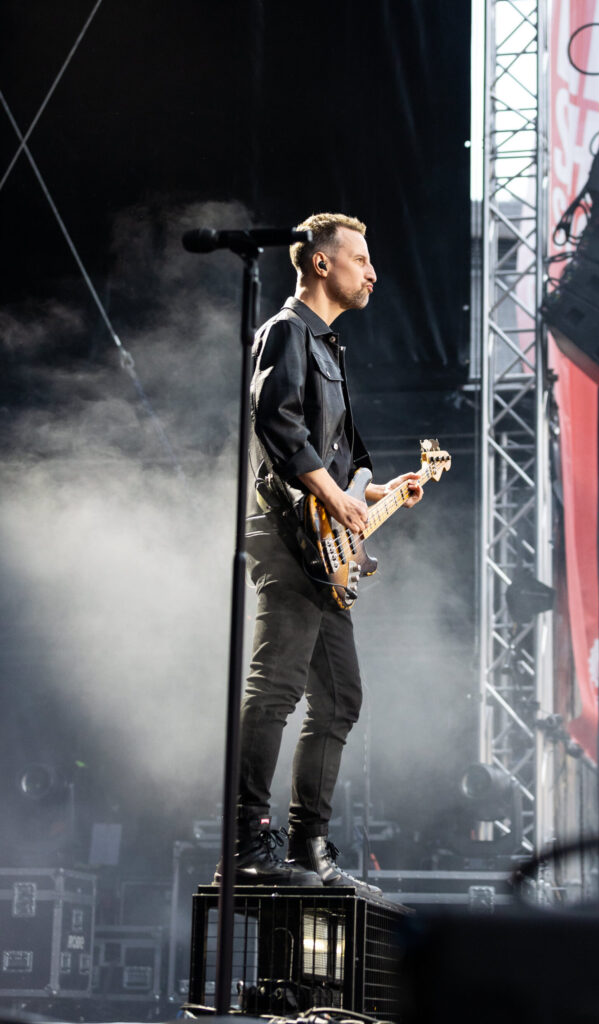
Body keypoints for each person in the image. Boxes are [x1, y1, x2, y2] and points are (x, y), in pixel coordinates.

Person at [218, 212, 422, 891]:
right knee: (274, 688)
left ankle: (309, 844)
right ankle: (247, 838)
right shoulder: (285, 331)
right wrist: (335, 499)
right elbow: (273, 419)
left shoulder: (329, 349)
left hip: (318, 548)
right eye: (360, 258)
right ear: (318, 264)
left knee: (338, 699)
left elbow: (341, 465)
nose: (372, 272)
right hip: (283, 537)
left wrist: (374, 493)